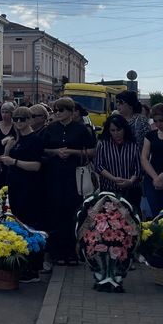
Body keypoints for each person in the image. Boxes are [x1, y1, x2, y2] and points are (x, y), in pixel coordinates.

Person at [40, 97, 97, 265]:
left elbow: (92, 151)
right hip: (54, 174)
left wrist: (72, 152)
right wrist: (55, 152)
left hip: (74, 174)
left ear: (71, 112)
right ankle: (57, 252)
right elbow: (42, 149)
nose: (57, 113)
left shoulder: (80, 129)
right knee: (56, 210)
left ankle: (72, 252)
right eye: (56, 110)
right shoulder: (50, 128)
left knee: (73, 211)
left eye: (61, 110)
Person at [0, 106, 45, 282]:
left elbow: (36, 166)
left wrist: (14, 161)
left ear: (30, 120)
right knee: (18, 223)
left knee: (31, 225)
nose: (18, 122)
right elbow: (7, 161)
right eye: (15, 119)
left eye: (22, 119)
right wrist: (8, 150)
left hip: (30, 187)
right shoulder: (17, 139)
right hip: (15, 185)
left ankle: (34, 268)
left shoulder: (35, 140)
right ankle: (21, 263)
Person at [93, 114, 143, 212]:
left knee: (132, 216)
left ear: (124, 129)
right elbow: (98, 166)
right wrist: (113, 178)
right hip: (109, 189)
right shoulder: (103, 144)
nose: (116, 133)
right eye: (113, 130)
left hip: (131, 190)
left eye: (119, 130)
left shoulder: (133, 145)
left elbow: (138, 168)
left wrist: (130, 181)